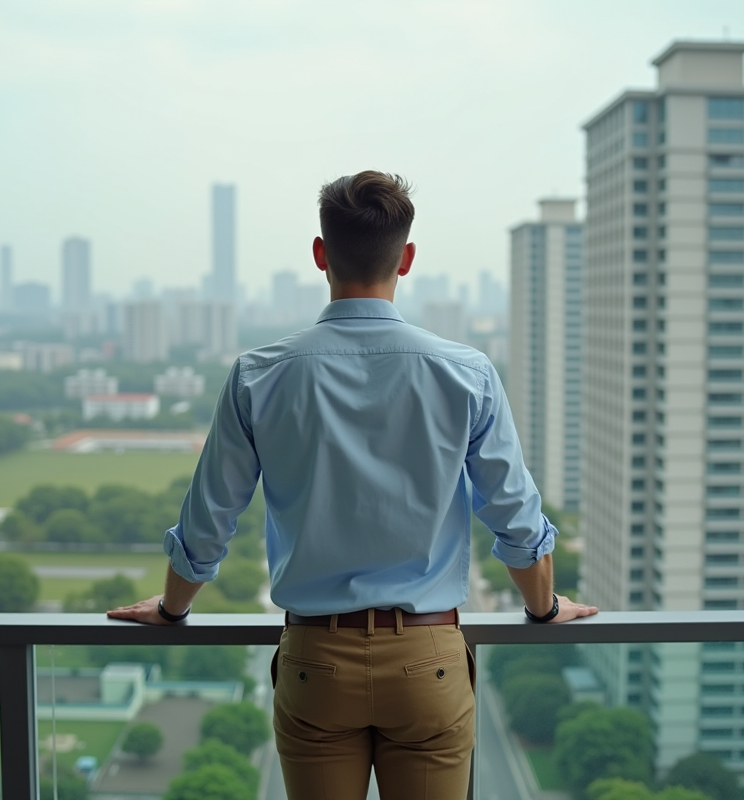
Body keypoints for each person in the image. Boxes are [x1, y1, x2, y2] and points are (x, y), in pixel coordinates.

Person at [108, 170, 597, 800]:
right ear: (408, 258)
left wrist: (174, 608)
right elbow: (515, 518)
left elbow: (209, 520)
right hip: (430, 659)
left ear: (320, 254)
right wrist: (544, 608)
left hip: (317, 662)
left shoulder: (260, 374)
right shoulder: (466, 373)